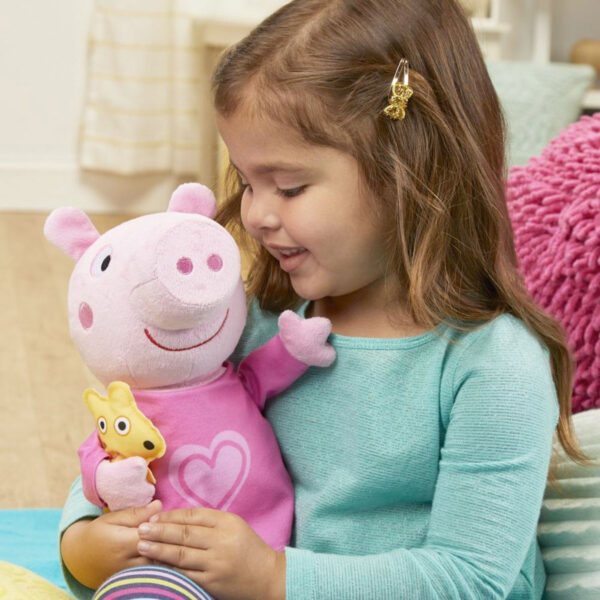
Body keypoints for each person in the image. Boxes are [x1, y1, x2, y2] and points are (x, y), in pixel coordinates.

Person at [59, 1, 588, 599]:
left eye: (289, 187)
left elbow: (471, 578)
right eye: (247, 182)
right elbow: (134, 446)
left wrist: (273, 577)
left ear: (410, 170)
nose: (256, 215)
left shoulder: (494, 366)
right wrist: (87, 542)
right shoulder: (255, 324)